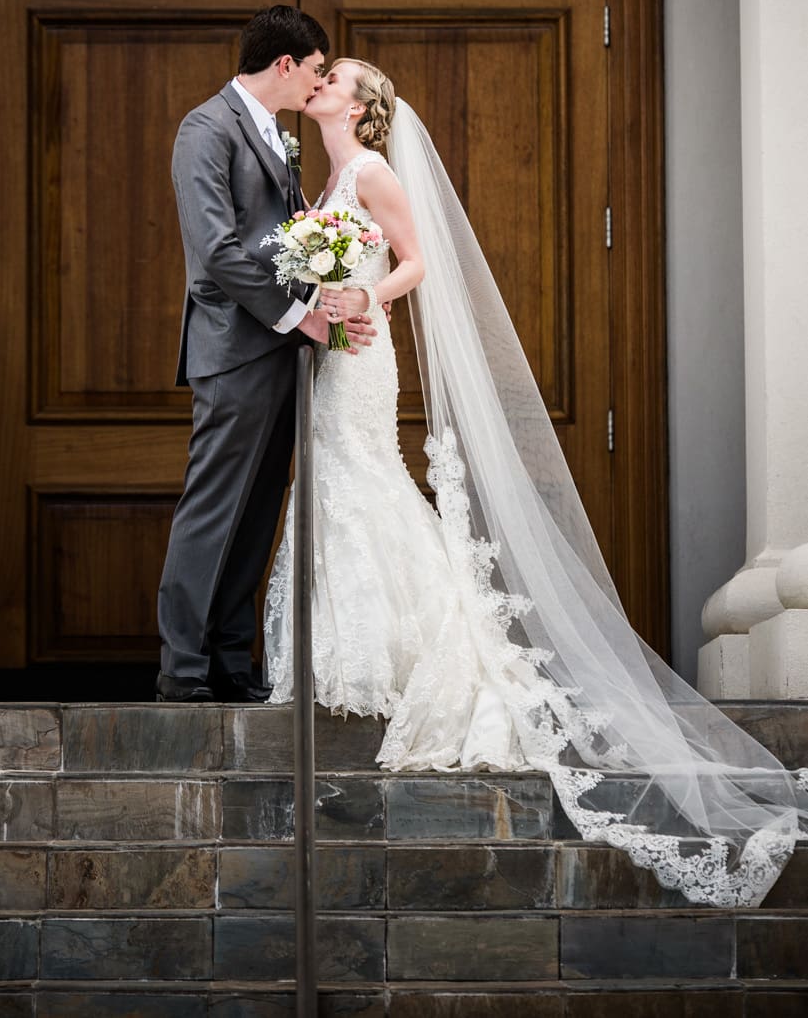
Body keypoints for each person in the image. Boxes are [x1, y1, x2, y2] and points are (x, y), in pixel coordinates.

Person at [264, 57, 808, 908]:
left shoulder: (370, 170)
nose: (324, 79)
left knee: (363, 475)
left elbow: (413, 261)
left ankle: (416, 651)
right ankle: (350, 653)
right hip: (334, 357)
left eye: (338, 75)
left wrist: (363, 301)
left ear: (365, 106)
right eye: (324, 71)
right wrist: (326, 297)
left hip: (363, 357)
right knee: (336, 480)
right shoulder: (328, 175)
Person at [157, 7, 375, 705]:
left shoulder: (277, 137)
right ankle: (181, 670)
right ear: (285, 64)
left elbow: (286, 242)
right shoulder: (206, 128)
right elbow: (217, 250)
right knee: (214, 507)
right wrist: (302, 318)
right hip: (234, 348)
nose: (316, 83)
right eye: (315, 69)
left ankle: (228, 662)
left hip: (283, 351)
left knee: (255, 513)